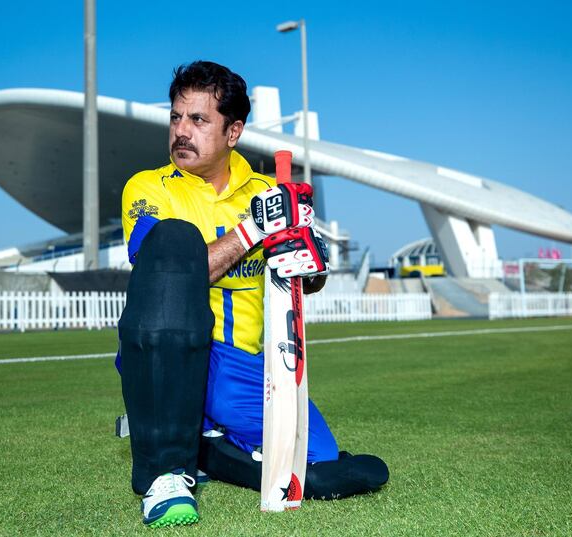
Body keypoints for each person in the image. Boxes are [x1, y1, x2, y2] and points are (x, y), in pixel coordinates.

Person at [117, 60, 388, 528]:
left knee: (319, 463)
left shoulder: (267, 190)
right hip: (176, 356)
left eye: (199, 120)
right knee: (175, 240)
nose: (182, 131)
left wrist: (310, 254)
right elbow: (168, 275)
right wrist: (254, 229)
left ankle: (199, 444)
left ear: (233, 132)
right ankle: (166, 468)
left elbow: (306, 279)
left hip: (248, 367)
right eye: (176, 117)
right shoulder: (147, 187)